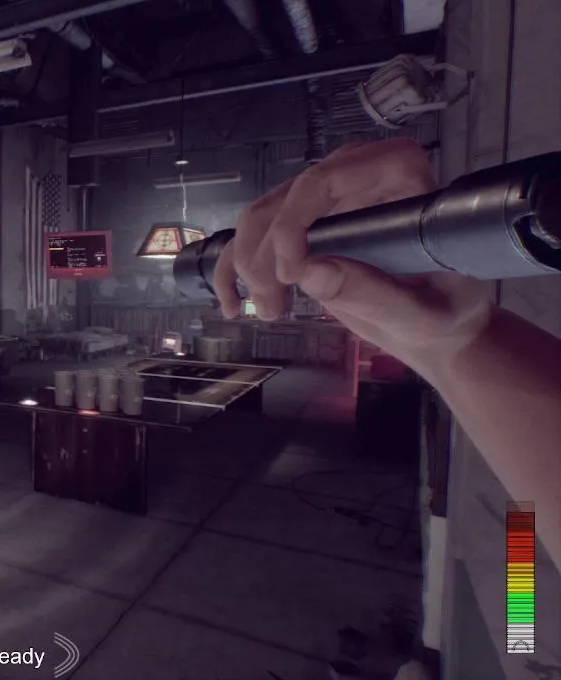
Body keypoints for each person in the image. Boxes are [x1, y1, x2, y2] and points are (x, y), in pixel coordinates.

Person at [213, 137, 560, 562]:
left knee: (519, 589)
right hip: (520, 584)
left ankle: (519, 599)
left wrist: (456, 341)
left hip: (519, 587)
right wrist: (457, 339)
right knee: (519, 583)